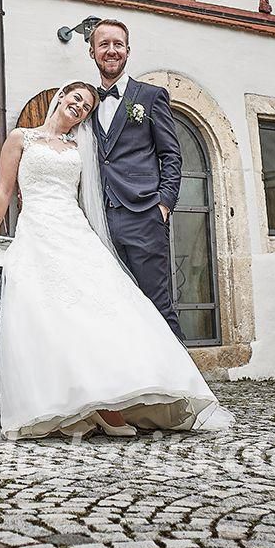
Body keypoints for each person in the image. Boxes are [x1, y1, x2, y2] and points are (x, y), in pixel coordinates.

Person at [0, 81, 231, 440]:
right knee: (50, 316)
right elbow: (3, 190)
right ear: (61, 97)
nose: (79, 108)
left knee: (101, 310)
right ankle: (77, 405)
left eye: (87, 108)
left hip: (74, 230)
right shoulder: (21, 138)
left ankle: (115, 399)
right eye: (76, 99)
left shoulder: (80, 146)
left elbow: (93, 192)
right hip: (38, 232)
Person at [88, 19, 184, 340]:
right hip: (101, 221)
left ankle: (181, 385)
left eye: (118, 44)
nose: (111, 50)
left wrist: (163, 205)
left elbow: (171, 155)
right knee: (116, 307)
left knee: (157, 304)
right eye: (104, 44)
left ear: (128, 51)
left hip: (144, 216)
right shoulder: (87, 102)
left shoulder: (152, 96)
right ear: (92, 52)